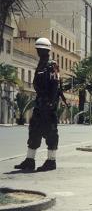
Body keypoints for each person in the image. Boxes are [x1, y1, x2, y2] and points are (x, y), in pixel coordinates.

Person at [14, 38, 61, 172]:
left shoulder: (52, 65)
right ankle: (30, 160)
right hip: (40, 104)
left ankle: (51, 161)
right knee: (34, 131)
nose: (39, 52)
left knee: (51, 132)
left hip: (48, 106)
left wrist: (50, 103)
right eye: (38, 50)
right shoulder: (41, 64)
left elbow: (55, 85)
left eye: (41, 50)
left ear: (47, 51)